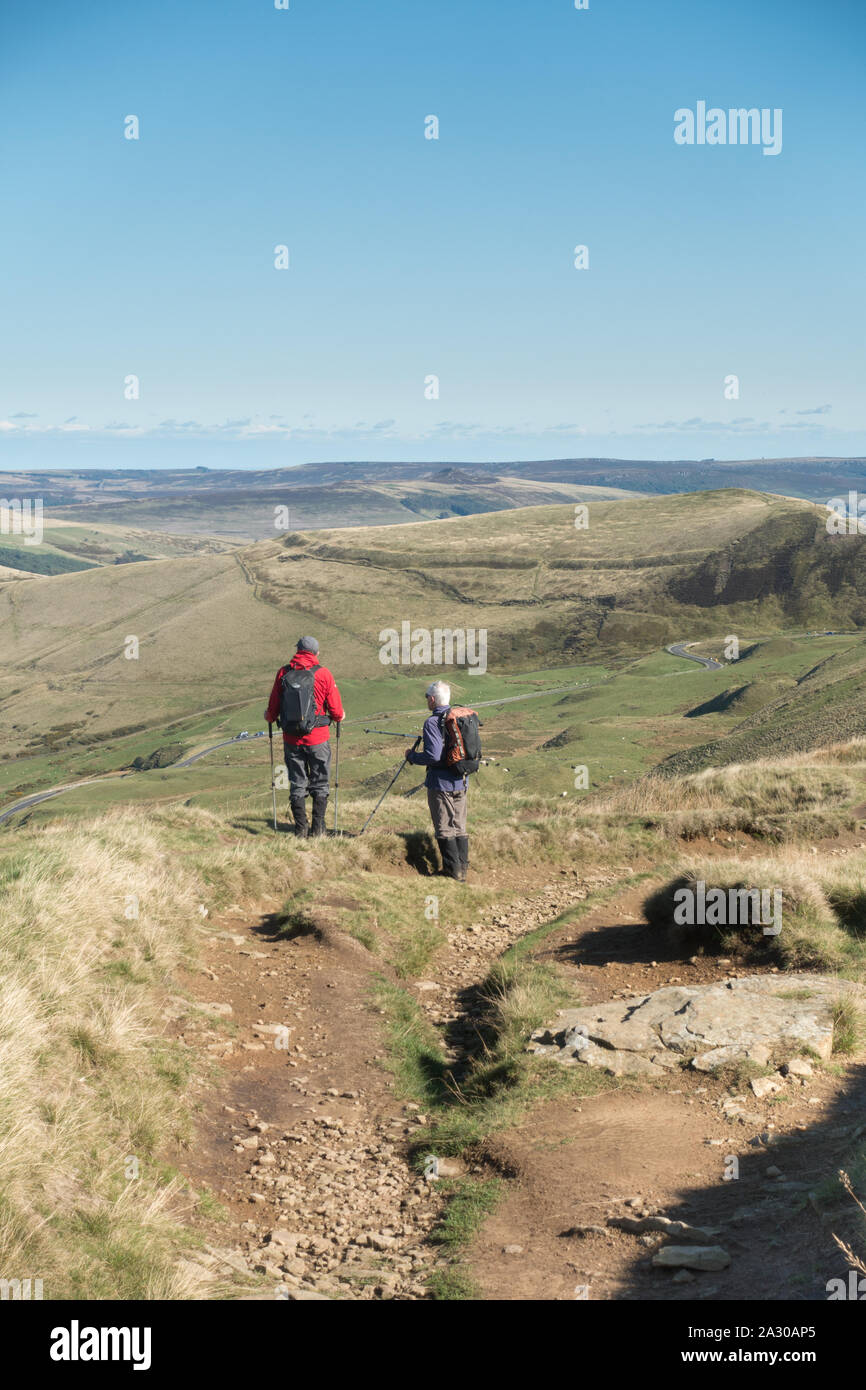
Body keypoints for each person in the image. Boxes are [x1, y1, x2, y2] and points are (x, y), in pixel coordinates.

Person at [264, 637, 344, 837]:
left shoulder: (284, 673)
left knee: (297, 782)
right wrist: (339, 716)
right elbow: (336, 711)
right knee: (321, 782)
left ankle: (300, 829)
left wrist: (270, 717)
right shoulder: (324, 674)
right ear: (316, 653)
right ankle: (318, 829)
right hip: (318, 738)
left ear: (297, 651)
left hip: (291, 739)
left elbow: (272, 708)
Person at [405, 680, 469, 880]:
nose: (426, 700)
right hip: (461, 779)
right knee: (459, 825)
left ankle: (452, 871)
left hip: (440, 783)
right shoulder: (460, 717)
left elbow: (433, 755)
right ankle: (463, 869)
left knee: (443, 825)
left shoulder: (432, 722)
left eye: (426, 697)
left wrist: (412, 756)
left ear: (432, 699)